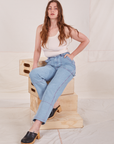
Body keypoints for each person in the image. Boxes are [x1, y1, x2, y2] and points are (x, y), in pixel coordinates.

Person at [21, 0, 90, 143]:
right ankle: (54, 103)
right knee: (34, 74)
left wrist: (72, 55)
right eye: (50, 8)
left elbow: (85, 40)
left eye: (55, 8)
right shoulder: (41, 28)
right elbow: (37, 49)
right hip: (51, 63)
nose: (52, 10)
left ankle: (35, 126)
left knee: (52, 88)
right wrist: (34, 64)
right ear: (47, 12)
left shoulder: (65, 28)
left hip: (66, 64)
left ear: (59, 12)